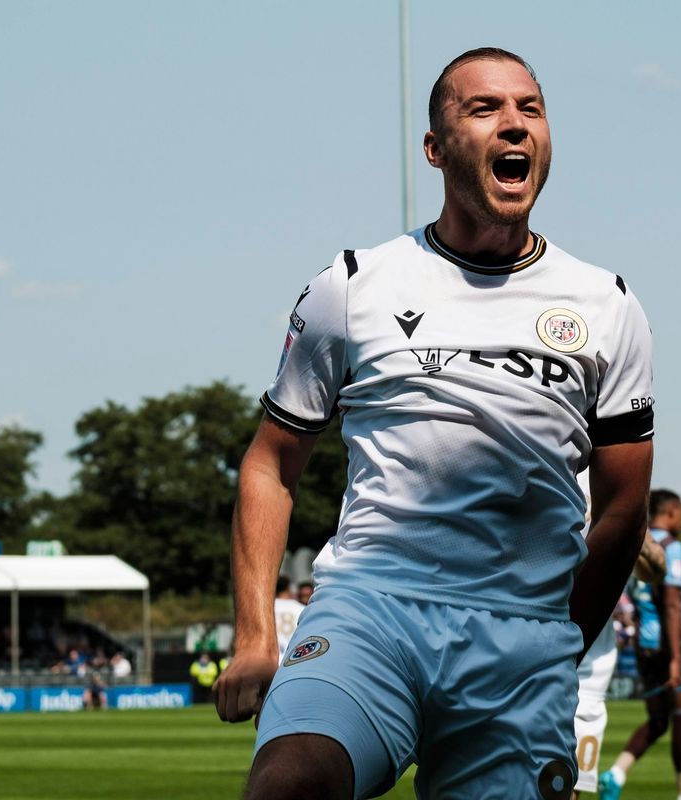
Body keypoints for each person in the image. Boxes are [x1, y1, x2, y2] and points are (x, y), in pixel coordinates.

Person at [214, 47, 655, 800]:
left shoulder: (607, 306)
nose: (514, 125)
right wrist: (255, 635)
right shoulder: (352, 286)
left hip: (521, 649)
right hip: (369, 612)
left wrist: (559, 641)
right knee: (288, 788)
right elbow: (270, 463)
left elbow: (621, 507)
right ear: (435, 148)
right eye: (484, 109)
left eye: (531, 108)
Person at [599, 490, 681, 800]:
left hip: (644, 645)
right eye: (680, 514)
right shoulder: (670, 546)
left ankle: (616, 773)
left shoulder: (636, 542)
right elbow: (671, 604)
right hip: (669, 644)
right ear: (670, 513)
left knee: (658, 720)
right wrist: (677, 657)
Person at [273, 575, 306, 660]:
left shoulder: (266, 609)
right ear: (289, 588)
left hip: (272, 660)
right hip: (294, 660)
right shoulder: (302, 609)